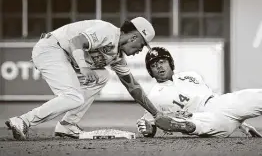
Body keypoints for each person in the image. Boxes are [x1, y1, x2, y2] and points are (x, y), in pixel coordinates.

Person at [5, 17, 162, 140]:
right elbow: (76, 41)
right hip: (52, 49)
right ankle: (23, 120)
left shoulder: (117, 56)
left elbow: (132, 86)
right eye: (142, 45)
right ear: (134, 37)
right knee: (72, 97)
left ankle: (67, 124)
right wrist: (84, 67)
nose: (140, 50)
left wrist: (156, 115)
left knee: (103, 76)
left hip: (67, 58)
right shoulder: (108, 31)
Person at [137, 47, 261, 138]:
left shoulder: (191, 75)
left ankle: (185, 125)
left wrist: (241, 123)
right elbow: (151, 125)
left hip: (221, 103)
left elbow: (221, 105)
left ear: (170, 63)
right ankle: (184, 126)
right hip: (203, 120)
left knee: (256, 97)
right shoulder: (154, 96)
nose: (158, 66)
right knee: (195, 123)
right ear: (150, 72)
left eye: (162, 62)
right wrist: (146, 128)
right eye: (153, 65)